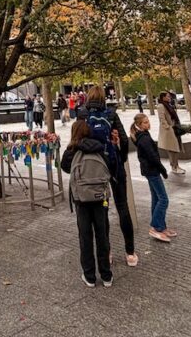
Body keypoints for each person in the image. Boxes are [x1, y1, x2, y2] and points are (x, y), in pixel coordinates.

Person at [77, 86, 136, 267]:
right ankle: (130, 252)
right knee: (122, 207)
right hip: (114, 166)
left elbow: (79, 141)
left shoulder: (82, 116)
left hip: (96, 169)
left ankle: (107, 251)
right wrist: (120, 156)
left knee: (103, 209)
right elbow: (124, 140)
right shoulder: (111, 114)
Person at [61, 120, 113, 288]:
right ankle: (106, 276)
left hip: (81, 199)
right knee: (102, 234)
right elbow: (109, 166)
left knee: (85, 236)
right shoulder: (99, 147)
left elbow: (65, 167)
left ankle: (89, 276)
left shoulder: (72, 150)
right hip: (100, 198)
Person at [130, 113, 175, 243]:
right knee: (163, 199)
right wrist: (162, 169)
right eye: (145, 122)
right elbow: (152, 157)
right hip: (152, 171)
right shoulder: (144, 139)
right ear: (139, 125)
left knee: (156, 198)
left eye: (148, 121)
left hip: (150, 170)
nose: (148, 124)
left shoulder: (143, 136)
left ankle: (160, 226)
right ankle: (155, 227)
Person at [157, 91, 186, 175]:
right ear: (163, 97)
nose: (169, 98)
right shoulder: (161, 106)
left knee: (176, 148)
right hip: (169, 130)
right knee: (173, 149)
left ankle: (176, 165)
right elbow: (162, 118)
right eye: (168, 96)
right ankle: (174, 166)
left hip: (174, 128)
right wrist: (168, 127)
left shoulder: (168, 105)